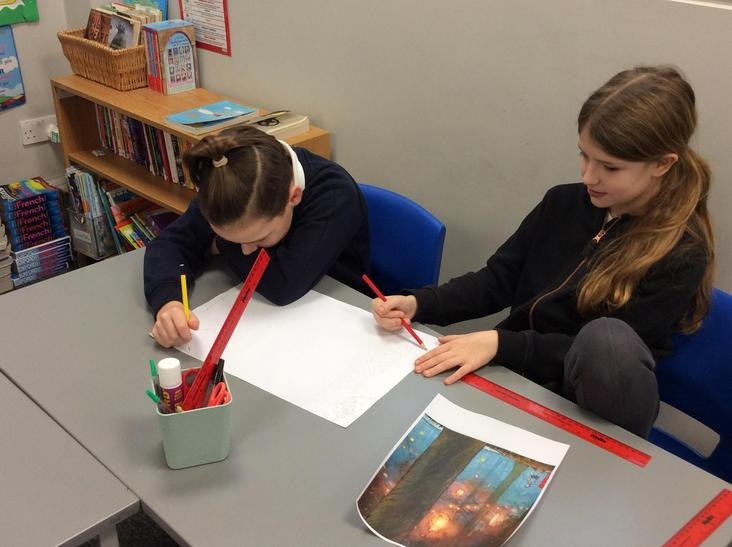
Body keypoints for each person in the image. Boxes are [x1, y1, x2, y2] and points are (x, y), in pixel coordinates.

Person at [370, 66, 714, 437]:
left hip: (586, 409)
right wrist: (420, 303)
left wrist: (501, 344)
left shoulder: (682, 254)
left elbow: (605, 359)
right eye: (584, 155)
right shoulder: (563, 203)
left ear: (662, 164)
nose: (588, 176)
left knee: (605, 338)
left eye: (610, 167)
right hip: (515, 379)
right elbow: (498, 280)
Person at [145, 125, 369, 348]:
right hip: (269, 320)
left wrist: (222, 244)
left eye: (259, 239)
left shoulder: (334, 194)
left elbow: (283, 285)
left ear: (293, 197)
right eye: (231, 238)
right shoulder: (227, 183)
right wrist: (168, 302)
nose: (245, 249)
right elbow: (170, 244)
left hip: (340, 318)